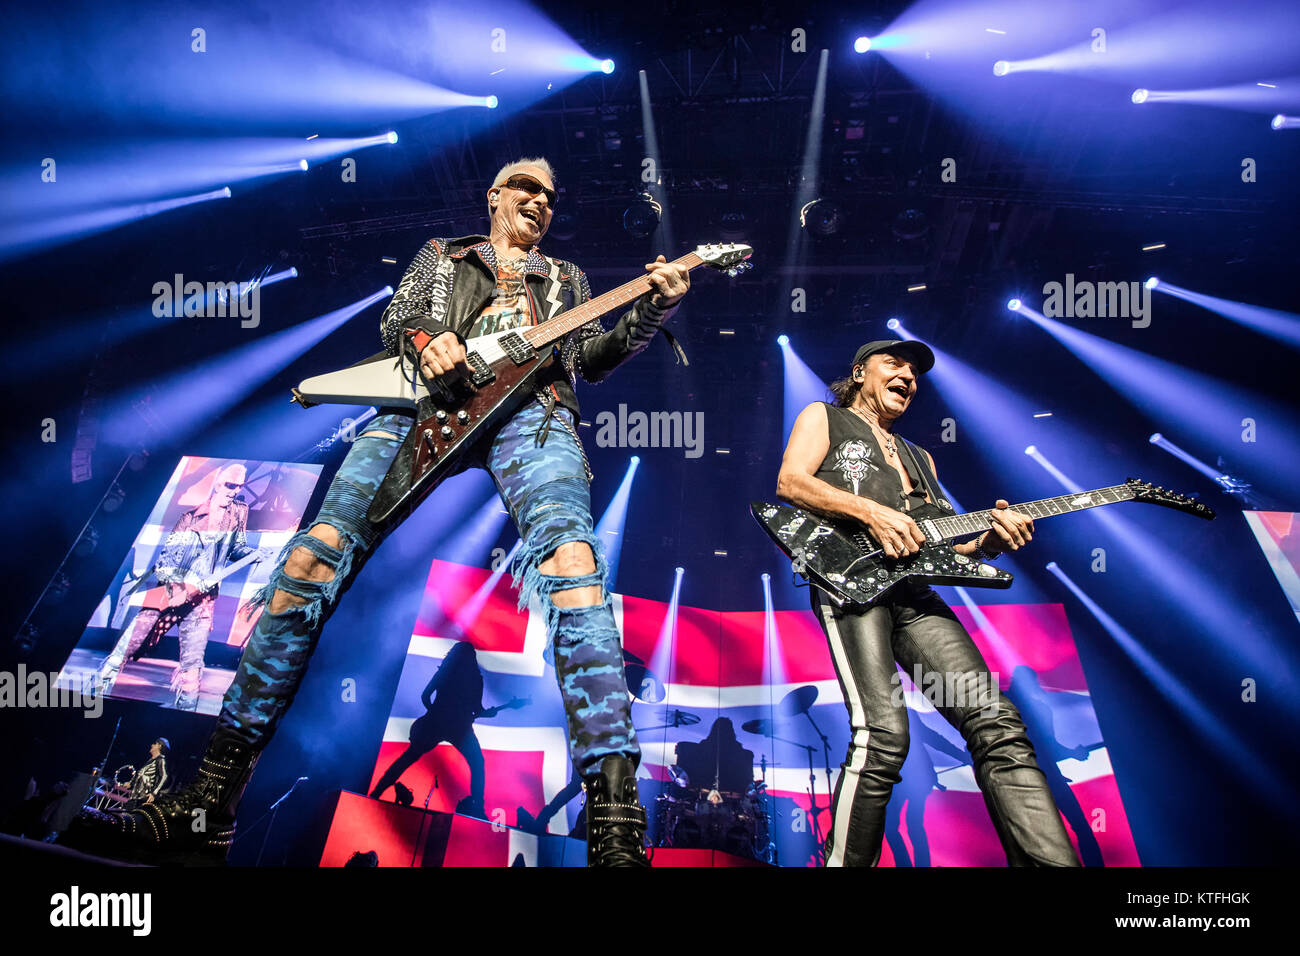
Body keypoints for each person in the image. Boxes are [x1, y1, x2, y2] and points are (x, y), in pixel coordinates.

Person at [68, 158, 690, 868]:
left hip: (534, 420)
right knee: (307, 560)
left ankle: (614, 829)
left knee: (575, 570)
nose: (540, 202)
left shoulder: (568, 279)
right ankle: (211, 804)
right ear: (494, 195)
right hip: (417, 408)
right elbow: (406, 318)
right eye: (528, 189)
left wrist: (654, 307)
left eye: (551, 197)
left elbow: (594, 356)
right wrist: (433, 340)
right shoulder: (445, 255)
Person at [775, 339, 1079, 867]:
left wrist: (991, 540)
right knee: (884, 735)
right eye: (894, 364)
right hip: (851, 582)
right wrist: (869, 511)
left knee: (997, 723)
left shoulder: (921, 456)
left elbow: (949, 545)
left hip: (915, 594)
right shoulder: (823, 416)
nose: (908, 375)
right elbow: (791, 481)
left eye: (915, 371)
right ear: (859, 372)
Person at [95, 463, 266, 710]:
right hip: (170, 591)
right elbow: (166, 560)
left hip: (203, 598)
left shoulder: (238, 512)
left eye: (239, 487)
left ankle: (185, 711)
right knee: (128, 645)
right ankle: (98, 689)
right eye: (230, 485)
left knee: (193, 663)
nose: (234, 491)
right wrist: (177, 588)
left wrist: (252, 554)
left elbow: (236, 548)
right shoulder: (189, 517)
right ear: (218, 484)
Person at [125, 738, 171, 810]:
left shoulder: (160, 760)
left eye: (155, 744)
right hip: (135, 796)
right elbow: (140, 774)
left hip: (144, 798)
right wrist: (131, 783)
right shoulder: (149, 761)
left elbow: (164, 776)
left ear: (160, 746)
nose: (152, 745)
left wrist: (154, 793)